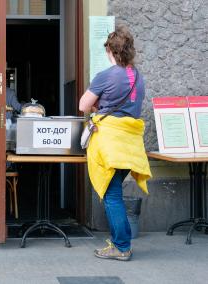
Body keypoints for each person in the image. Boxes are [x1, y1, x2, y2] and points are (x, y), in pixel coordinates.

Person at [79, 25, 152, 261]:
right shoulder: (138, 77)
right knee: (115, 192)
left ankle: (121, 246)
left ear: (111, 50)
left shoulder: (107, 75)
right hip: (129, 144)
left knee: (111, 196)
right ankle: (121, 241)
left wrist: (98, 105)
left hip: (110, 143)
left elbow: (83, 105)